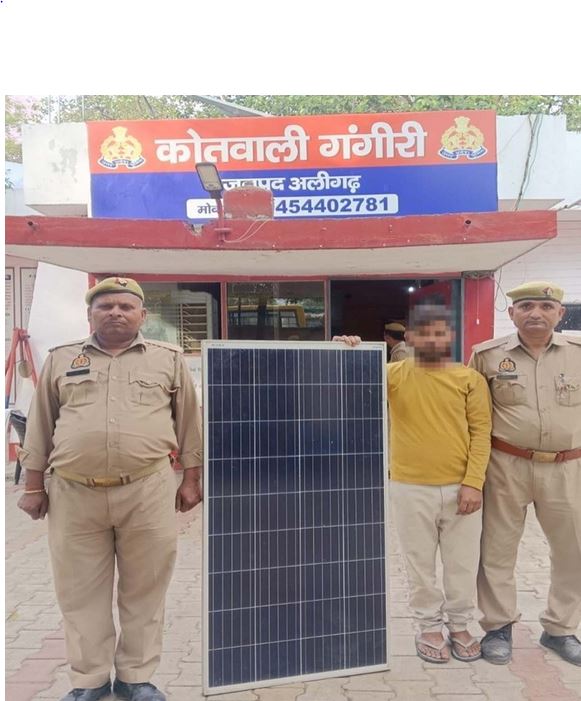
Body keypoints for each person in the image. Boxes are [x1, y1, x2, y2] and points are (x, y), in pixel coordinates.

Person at [17, 277, 204, 701]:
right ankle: (90, 680)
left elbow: (189, 424)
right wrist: (33, 486)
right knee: (80, 591)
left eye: (125, 306)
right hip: (73, 493)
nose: (115, 312)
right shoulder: (62, 359)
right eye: (105, 306)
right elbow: (41, 424)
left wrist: (192, 480)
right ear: (90, 315)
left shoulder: (168, 359)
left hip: (148, 490)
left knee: (145, 588)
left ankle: (136, 677)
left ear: (143, 315)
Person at [335, 304, 491, 663]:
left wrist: (474, 483)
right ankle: (428, 626)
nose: (432, 339)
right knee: (419, 564)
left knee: (462, 563)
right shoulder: (391, 375)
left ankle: (460, 625)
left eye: (440, 332)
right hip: (409, 486)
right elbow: (346, 383)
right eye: (424, 332)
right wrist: (344, 349)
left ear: (450, 336)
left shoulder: (469, 379)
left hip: (461, 488)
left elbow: (481, 433)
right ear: (410, 337)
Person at [469, 281, 581, 667]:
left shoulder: (578, 353)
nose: (536, 313)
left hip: (568, 468)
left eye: (546, 307)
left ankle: (560, 628)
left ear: (560, 313)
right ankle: (497, 627)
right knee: (496, 549)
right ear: (512, 312)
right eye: (527, 306)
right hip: (505, 466)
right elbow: (471, 415)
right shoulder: (486, 356)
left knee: (573, 551)